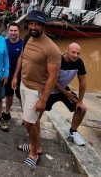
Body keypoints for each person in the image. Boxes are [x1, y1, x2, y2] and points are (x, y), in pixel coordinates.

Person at [11, 10, 61, 167]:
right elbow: (22, 57)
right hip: (24, 85)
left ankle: (33, 154)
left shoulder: (52, 49)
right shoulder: (27, 38)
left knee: (28, 122)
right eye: (31, 23)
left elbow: (53, 77)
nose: (33, 27)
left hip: (37, 90)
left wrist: (43, 99)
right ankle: (36, 146)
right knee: (34, 121)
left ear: (43, 26)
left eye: (37, 24)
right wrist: (15, 76)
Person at [44, 43, 88, 146]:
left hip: (64, 90)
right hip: (50, 88)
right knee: (40, 108)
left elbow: (83, 82)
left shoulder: (79, 62)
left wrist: (80, 101)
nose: (75, 55)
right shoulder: (57, 59)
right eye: (73, 52)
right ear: (66, 51)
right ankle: (33, 128)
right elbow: (51, 78)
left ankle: (73, 133)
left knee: (82, 109)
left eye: (78, 53)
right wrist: (65, 92)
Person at [2, 22, 23, 123]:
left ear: (19, 32)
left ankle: (25, 116)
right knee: (9, 96)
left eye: (15, 30)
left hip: (21, 76)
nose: (13, 33)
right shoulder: (4, 43)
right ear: (8, 31)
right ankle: (6, 112)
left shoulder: (23, 44)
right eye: (11, 30)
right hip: (8, 75)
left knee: (21, 97)